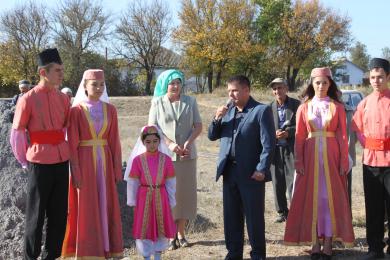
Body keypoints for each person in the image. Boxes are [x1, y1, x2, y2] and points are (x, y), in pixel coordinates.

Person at [284, 67, 354, 260]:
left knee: (327, 199)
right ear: (311, 84)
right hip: (310, 157)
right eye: (317, 82)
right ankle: (315, 242)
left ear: (330, 84)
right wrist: (298, 159)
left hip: (331, 158)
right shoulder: (303, 108)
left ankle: (329, 242)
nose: (321, 86)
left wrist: (343, 159)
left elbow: (342, 135)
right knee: (312, 199)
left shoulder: (338, 107)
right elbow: (299, 136)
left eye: (325, 82)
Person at [10, 48, 70, 260]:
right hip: (39, 163)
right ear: (43, 73)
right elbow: (17, 135)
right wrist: (26, 162)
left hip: (62, 162)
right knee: (35, 216)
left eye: (62, 70)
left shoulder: (64, 99)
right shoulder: (27, 99)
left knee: (59, 215)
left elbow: (64, 130)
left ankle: (51, 256)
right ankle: (30, 257)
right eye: (57, 70)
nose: (62, 74)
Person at [208, 75, 276, 260]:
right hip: (229, 172)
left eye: (235, 90)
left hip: (251, 174)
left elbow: (268, 144)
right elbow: (212, 136)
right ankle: (234, 253)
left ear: (247, 90)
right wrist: (217, 118)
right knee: (231, 216)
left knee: (254, 218)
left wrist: (262, 169)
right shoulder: (227, 111)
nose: (231, 94)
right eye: (229, 91)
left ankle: (258, 254)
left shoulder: (261, 110)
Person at [61, 69, 123, 258]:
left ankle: (107, 248)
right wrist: (76, 173)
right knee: (86, 207)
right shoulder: (76, 111)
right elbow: (71, 144)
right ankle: (88, 251)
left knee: (106, 205)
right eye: (94, 84)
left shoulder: (110, 109)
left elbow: (115, 142)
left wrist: (116, 169)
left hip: (104, 161)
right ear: (85, 86)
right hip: (85, 163)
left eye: (102, 84)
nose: (98, 87)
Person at [148, 69, 202, 250]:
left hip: (187, 156)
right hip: (165, 157)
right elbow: (152, 128)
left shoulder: (190, 101)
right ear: (165, 85)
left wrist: (187, 143)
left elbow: (198, 126)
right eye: (172, 83)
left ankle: (181, 233)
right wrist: (169, 144)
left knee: (185, 195)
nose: (175, 86)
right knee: (169, 196)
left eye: (178, 82)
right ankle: (170, 235)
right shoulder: (157, 103)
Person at [351, 58, 390, 260]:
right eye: (373, 77)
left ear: (387, 77)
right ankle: (374, 248)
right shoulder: (364, 103)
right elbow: (357, 128)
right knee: (373, 207)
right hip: (371, 162)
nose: (376, 81)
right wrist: (367, 143)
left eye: (380, 77)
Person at [124, 125, 177, 260]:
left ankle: (158, 255)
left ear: (159, 141)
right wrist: (132, 201)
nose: (152, 145)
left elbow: (171, 183)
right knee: (145, 227)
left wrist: (171, 200)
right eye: (148, 142)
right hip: (143, 198)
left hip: (161, 196)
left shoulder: (166, 159)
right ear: (143, 142)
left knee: (161, 226)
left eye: (155, 141)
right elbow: (133, 183)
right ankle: (146, 256)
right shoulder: (138, 160)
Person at [268, 78, 301, 223]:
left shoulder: (297, 105)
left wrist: (289, 133)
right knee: (277, 182)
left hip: (291, 149)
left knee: (293, 181)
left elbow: (303, 126)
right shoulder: (268, 108)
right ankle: (282, 212)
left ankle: (295, 212)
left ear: (286, 88)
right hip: (275, 150)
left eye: (280, 88)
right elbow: (264, 128)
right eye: (275, 89)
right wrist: (272, 133)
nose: (277, 91)